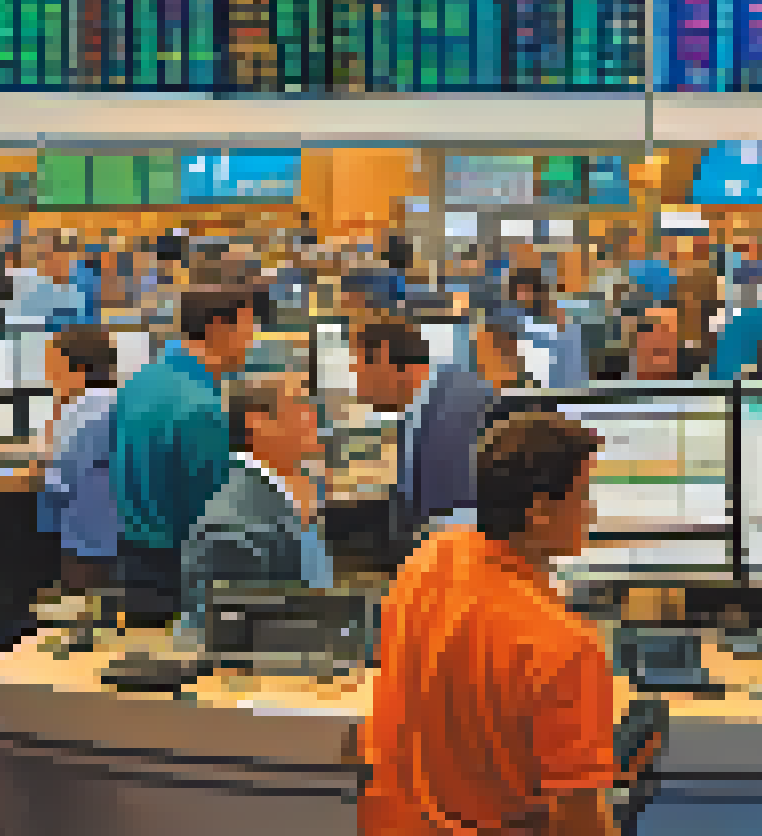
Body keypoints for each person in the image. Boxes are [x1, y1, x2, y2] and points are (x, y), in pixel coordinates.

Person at [359, 411, 632, 835]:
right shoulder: (567, 648)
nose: (591, 512)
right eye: (582, 497)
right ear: (540, 512)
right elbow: (579, 823)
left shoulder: (426, 563)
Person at [111, 287, 257, 625]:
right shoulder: (201, 404)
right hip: (181, 569)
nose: (252, 342)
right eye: (248, 328)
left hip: (132, 560)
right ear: (219, 328)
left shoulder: (137, 384)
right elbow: (208, 512)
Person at [180, 377, 333, 638]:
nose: (313, 417)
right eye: (300, 406)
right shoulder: (232, 529)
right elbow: (243, 638)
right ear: (259, 422)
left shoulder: (281, 499)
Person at [355, 318, 492, 537]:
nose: (358, 391)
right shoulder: (414, 410)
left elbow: (458, 512)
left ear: (383, 357)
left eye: (358, 373)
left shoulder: (460, 406)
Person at [39, 325, 123, 594]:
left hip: (88, 540)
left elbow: (57, 485)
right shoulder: (123, 402)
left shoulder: (80, 412)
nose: (48, 378)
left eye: (53, 368)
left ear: (78, 369)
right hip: (126, 537)